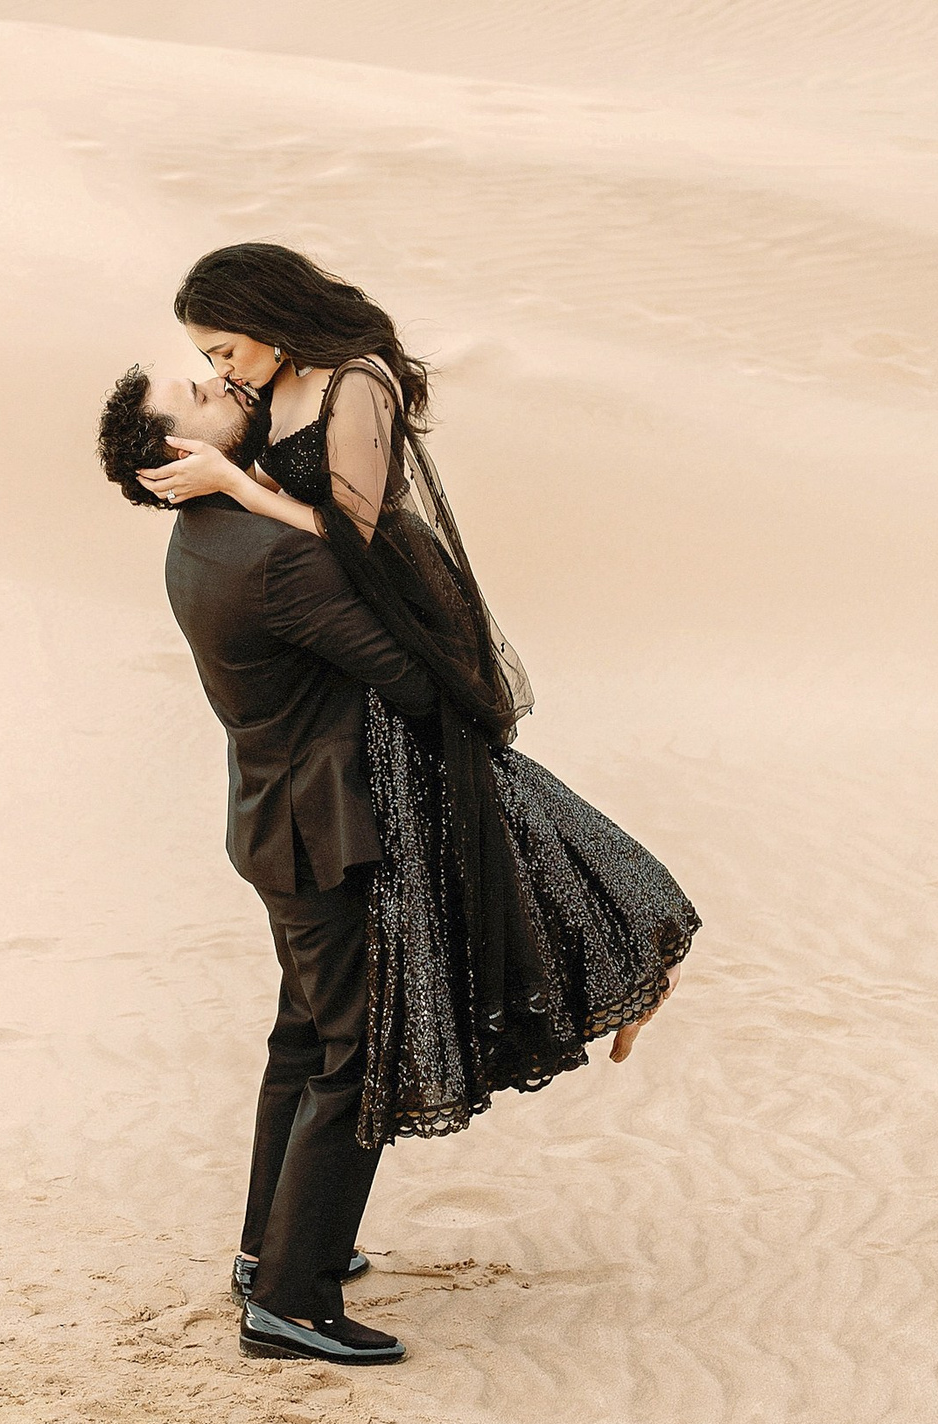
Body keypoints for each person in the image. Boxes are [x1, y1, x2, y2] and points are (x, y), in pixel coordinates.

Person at [127, 241, 697, 1156]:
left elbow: (350, 531)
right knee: (481, 818)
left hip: (396, 597)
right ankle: (620, 965)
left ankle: (634, 955)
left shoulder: (360, 383)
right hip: (342, 626)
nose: (221, 371)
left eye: (225, 350)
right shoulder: (276, 384)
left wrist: (234, 485)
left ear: (270, 321)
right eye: (208, 362)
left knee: (493, 793)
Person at [96, 362, 430, 1367]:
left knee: (306, 1038)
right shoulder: (269, 553)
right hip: (321, 830)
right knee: (354, 1051)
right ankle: (291, 1299)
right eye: (200, 394)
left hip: (275, 819)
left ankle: (268, 1251)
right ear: (180, 455)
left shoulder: (196, 539)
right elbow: (403, 670)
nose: (223, 383)